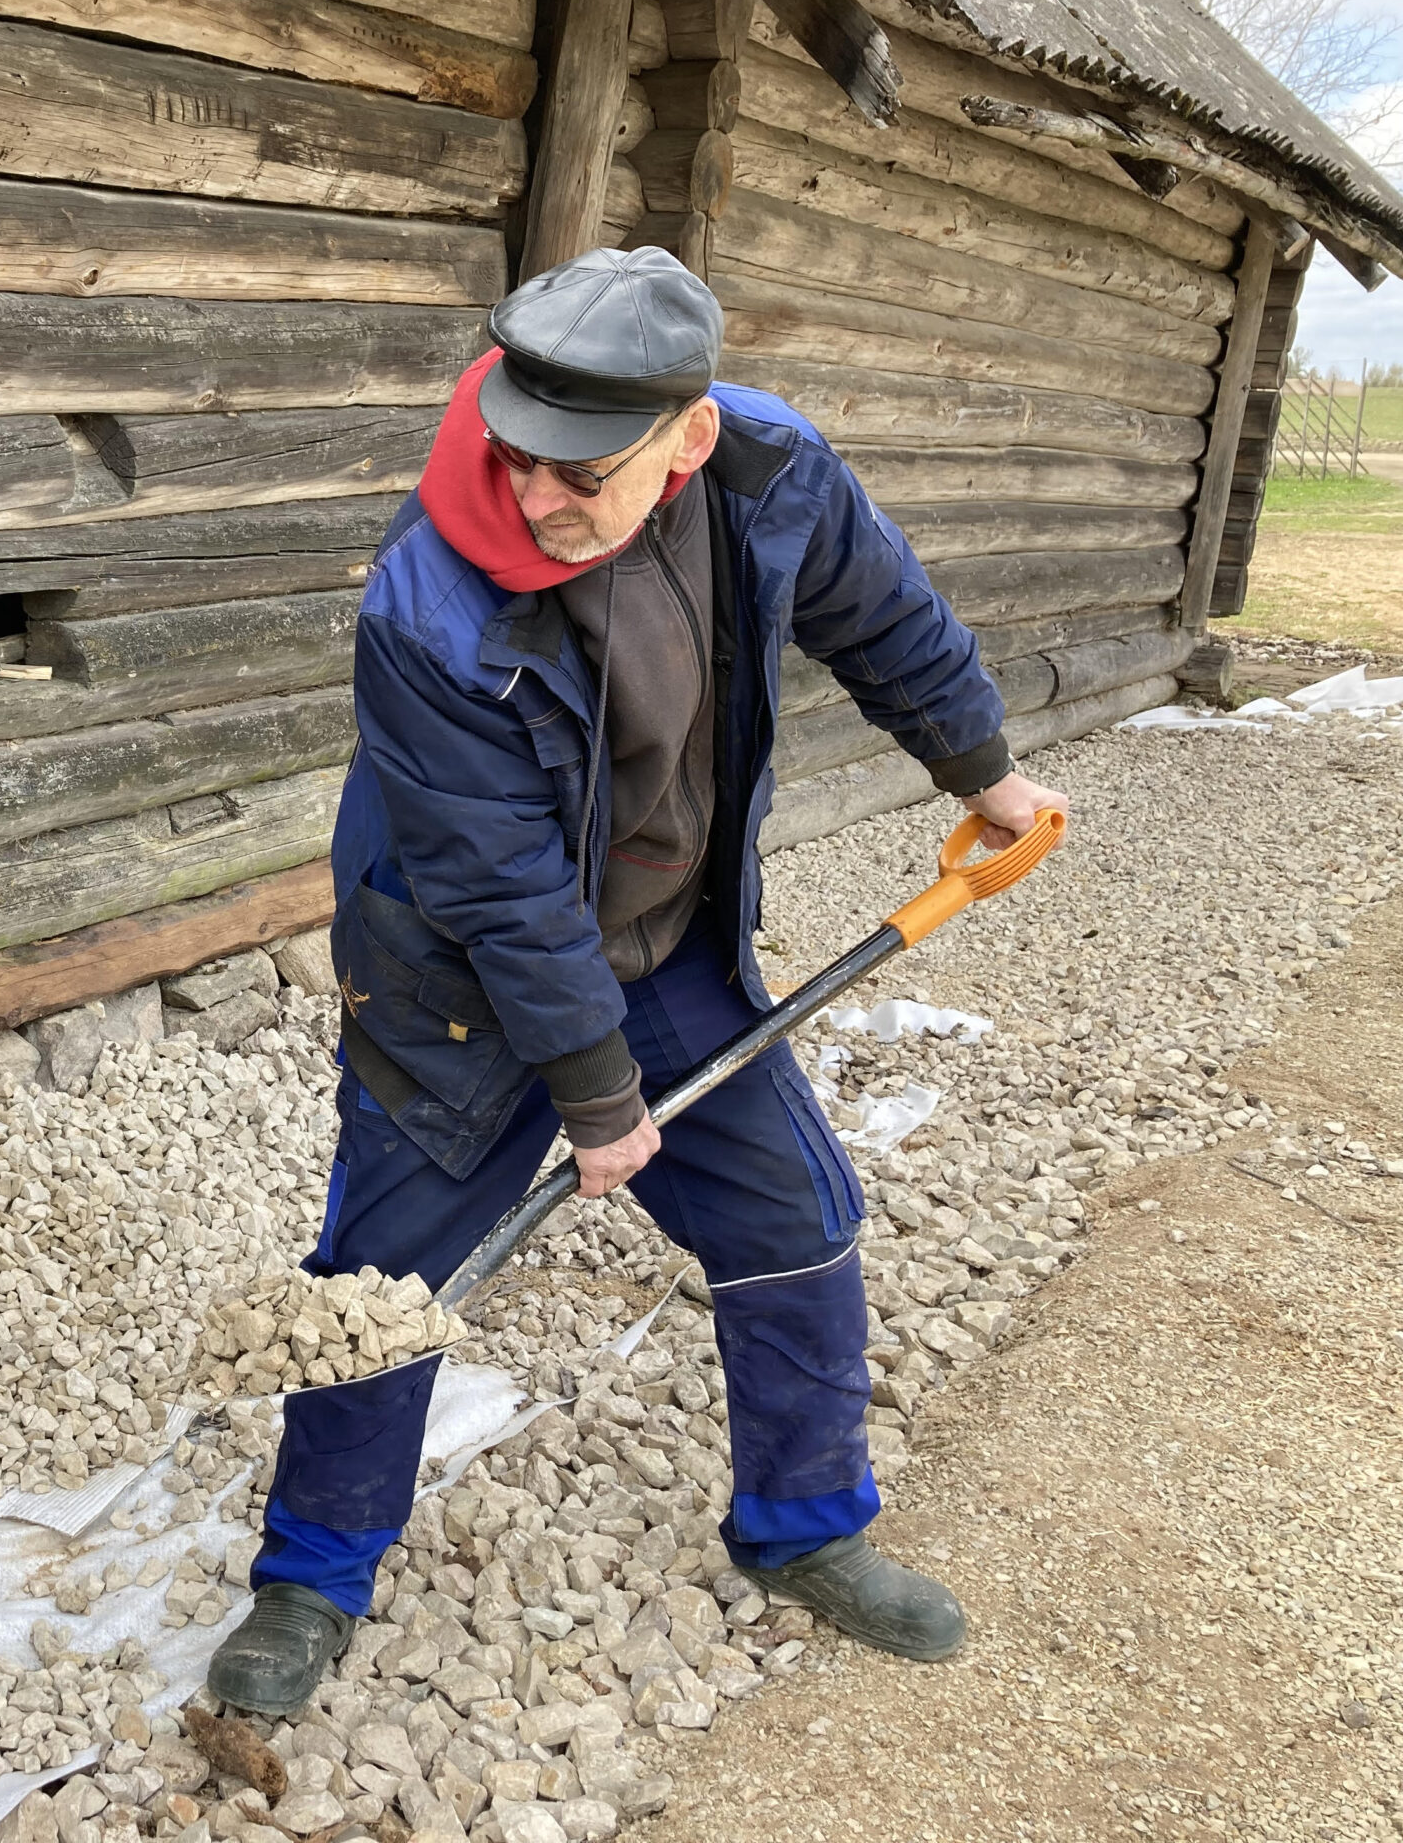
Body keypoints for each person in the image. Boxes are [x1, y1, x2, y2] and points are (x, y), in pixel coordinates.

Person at [206, 248, 1069, 1716]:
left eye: (584, 473)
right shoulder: (428, 602)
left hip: (667, 938)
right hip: (461, 983)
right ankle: (311, 1575)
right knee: (387, 1276)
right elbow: (499, 890)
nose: (539, 497)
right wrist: (600, 1101)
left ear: (690, 436)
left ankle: (803, 1530)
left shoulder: (772, 474)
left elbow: (887, 618)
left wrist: (982, 772)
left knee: (794, 1218)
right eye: (518, 454)